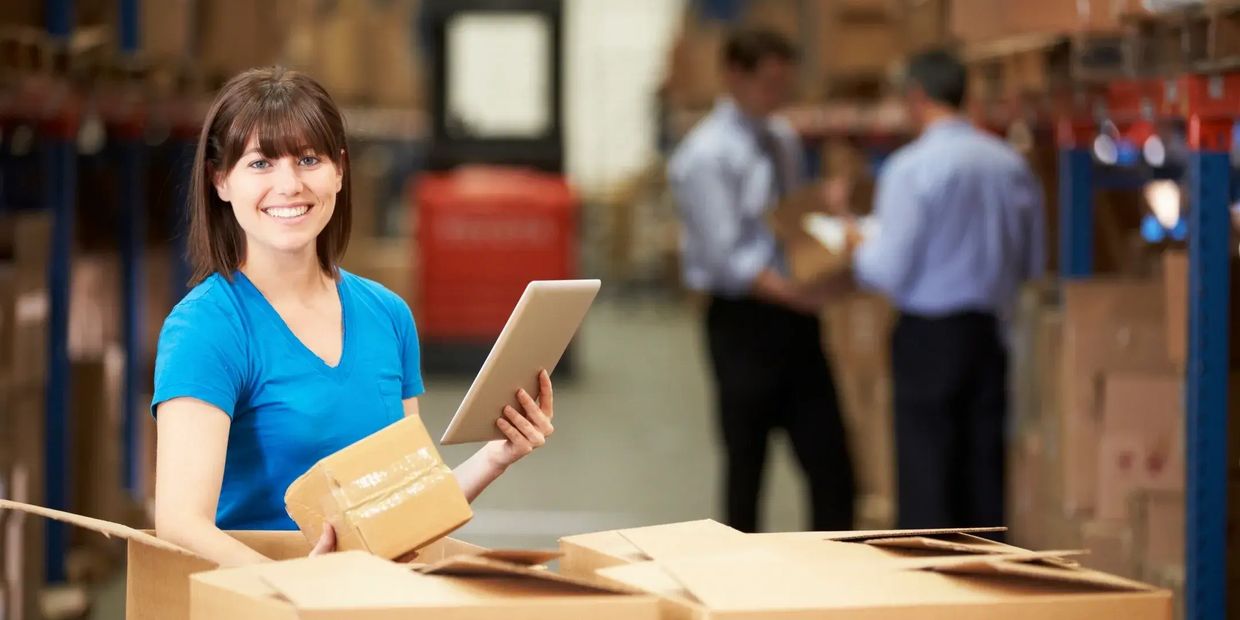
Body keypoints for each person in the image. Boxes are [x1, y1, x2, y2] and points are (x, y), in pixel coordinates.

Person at [152, 67, 557, 566]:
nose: (289, 184)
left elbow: (411, 504)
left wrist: (497, 453)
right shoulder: (207, 329)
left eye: (307, 159)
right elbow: (179, 521)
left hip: (370, 596)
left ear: (339, 171)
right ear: (220, 181)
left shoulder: (387, 316)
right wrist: (299, 584)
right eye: (260, 164)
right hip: (264, 600)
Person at [668, 27, 855, 533]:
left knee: (831, 464)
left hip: (794, 317)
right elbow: (728, 258)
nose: (778, 96)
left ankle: (838, 579)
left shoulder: (783, 139)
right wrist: (794, 294)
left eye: (784, 84)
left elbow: (786, 222)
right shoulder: (705, 155)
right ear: (735, 76)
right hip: (743, 322)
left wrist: (827, 224)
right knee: (747, 461)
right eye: (769, 84)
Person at [849, 50, 1045, 530]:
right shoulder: (1009, 165)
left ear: (916, 96)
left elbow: (888, 269)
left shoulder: (910, 169)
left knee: (927, 479)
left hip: (928, 337)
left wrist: (857, 245)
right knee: (983, 476)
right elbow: (1033, 261)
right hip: (988, 334)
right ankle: (987, 589)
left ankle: (933, 592)